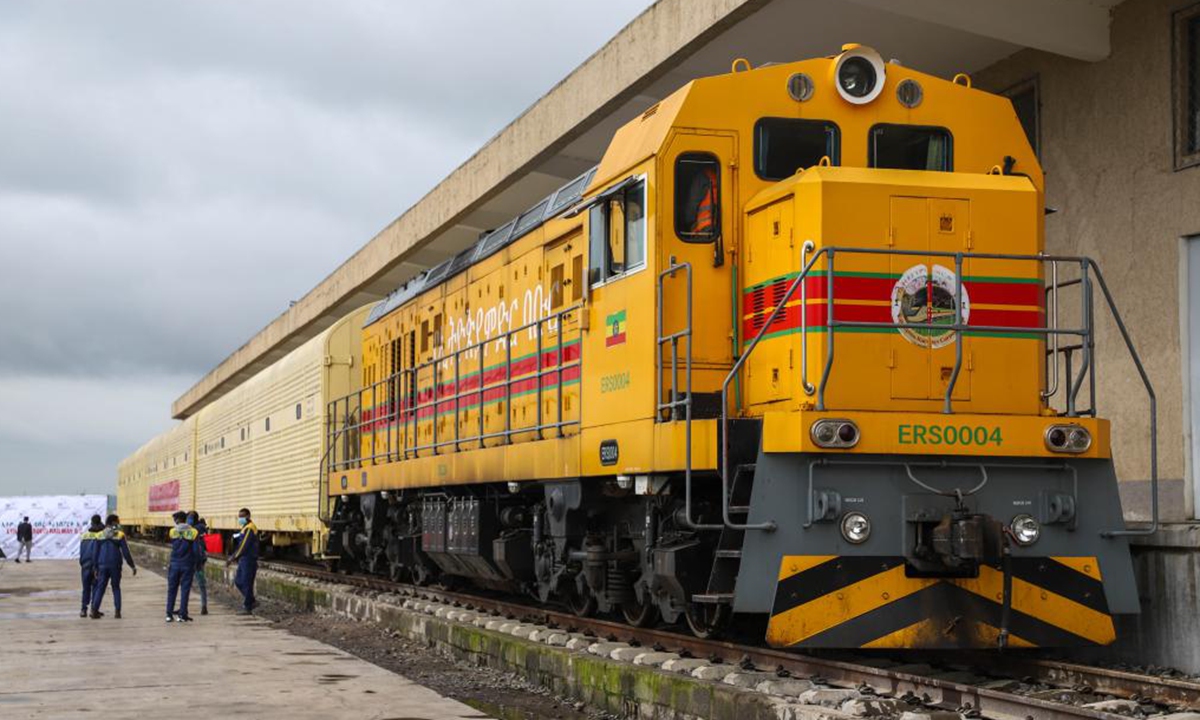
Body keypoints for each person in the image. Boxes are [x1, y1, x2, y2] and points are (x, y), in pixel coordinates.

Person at [89, 514, 136, 619]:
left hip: (102, 566)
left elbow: (95, 554)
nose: (118, 524)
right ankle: (117, 612)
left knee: (100, 588)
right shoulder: (119, 535)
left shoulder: (99, 535)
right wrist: (132, 566)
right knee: (116, 588)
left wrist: (95, 567)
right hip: (115, 566)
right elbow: (126, 553)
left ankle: (94, 611)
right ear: (113, 522)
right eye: (117, 521)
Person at [166, 510, 202, 623]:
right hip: (187, 565)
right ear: (185, 519)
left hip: (174, 564)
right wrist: (198, 564)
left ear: (177, 520)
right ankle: (182, 615)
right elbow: (196, 551)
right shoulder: (194, 532)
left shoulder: (172, 532)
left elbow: (174, 546)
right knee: (185, 590)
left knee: (172, 590)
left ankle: (169, 614)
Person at [227, 507, 259, 615]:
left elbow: (244, 545)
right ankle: (251, 601)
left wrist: (233, 557)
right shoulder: (244, 528)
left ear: (248, 516)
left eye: (242, 516)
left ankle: (247, 607)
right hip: (244, 559)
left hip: (249, 559)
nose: (240, 518)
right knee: (238, 581)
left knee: (246, 583)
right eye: (239, 516)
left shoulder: (250, 528)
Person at [78, 515, 105, 618]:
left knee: (85, 588)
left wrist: (82, 562)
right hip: (96, 565)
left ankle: (83, 610)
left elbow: (81, 551)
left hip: (84, 565)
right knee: (96, 587)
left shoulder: (84, 535)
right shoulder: (101, 536)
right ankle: (94, 609)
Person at [186, 511, 209, 616]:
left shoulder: (194, 529)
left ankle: (184, 607)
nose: (188, 520)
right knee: (201, 584)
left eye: (190, 518)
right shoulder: (200, 527)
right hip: (200, 560)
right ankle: (204, 606)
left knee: (187, 584)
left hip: (195, 560)